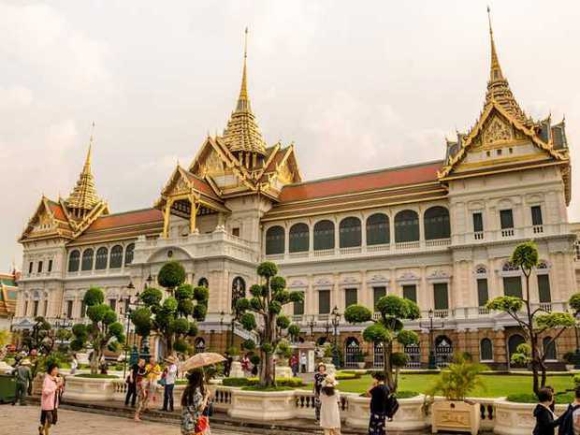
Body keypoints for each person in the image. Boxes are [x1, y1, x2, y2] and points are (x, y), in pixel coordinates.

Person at [181, 369, 211, 435]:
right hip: (193, 423)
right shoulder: (197, 393)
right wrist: (206, 396)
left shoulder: (187, 389)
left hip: (185, 420)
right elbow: (201, 408)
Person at [39, 363, 64, 435]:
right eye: (55, 369)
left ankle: (41, 429)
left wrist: (60, 387)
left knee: (51, 422)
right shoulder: (47, 380)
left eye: (57, 369)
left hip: (54, 403)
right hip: (48, 404)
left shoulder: (56, 379)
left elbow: (58, 391)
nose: (56, 371)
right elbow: (45, 392)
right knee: (49, 420)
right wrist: (56, 387)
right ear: (51, 370)